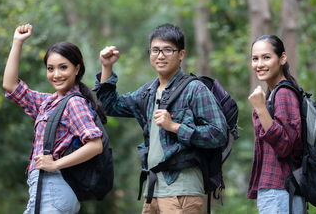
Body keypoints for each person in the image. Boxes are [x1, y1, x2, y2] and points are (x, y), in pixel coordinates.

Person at [93, 24, 228, 214]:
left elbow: (219, 134)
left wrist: (175, 127)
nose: (160, 55)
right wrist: (107, 67)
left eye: (167, 50)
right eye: (155, 50)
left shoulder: (194, 89)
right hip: (153, 191)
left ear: (181, 54)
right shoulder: (148, 92)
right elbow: (108, 106)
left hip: (183, 191)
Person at [3, 24, 105, 214]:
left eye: (63, 67)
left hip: (54, 187)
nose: (56, 74)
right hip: (44, 188)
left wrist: (54, 164)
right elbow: (10, 85)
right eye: (51, 68)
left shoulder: (74, 103)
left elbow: (95, 145)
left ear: (77, 69)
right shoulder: (49, 103)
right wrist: (17, 42)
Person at [247, 35, 305, 214]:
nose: (259, 64)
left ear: (282, 58)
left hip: (280, 190)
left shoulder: (284, 93)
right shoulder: (274, 93)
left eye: (266, 57)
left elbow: (285, 145)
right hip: (277, 191)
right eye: (255, 58)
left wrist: (260, 109)